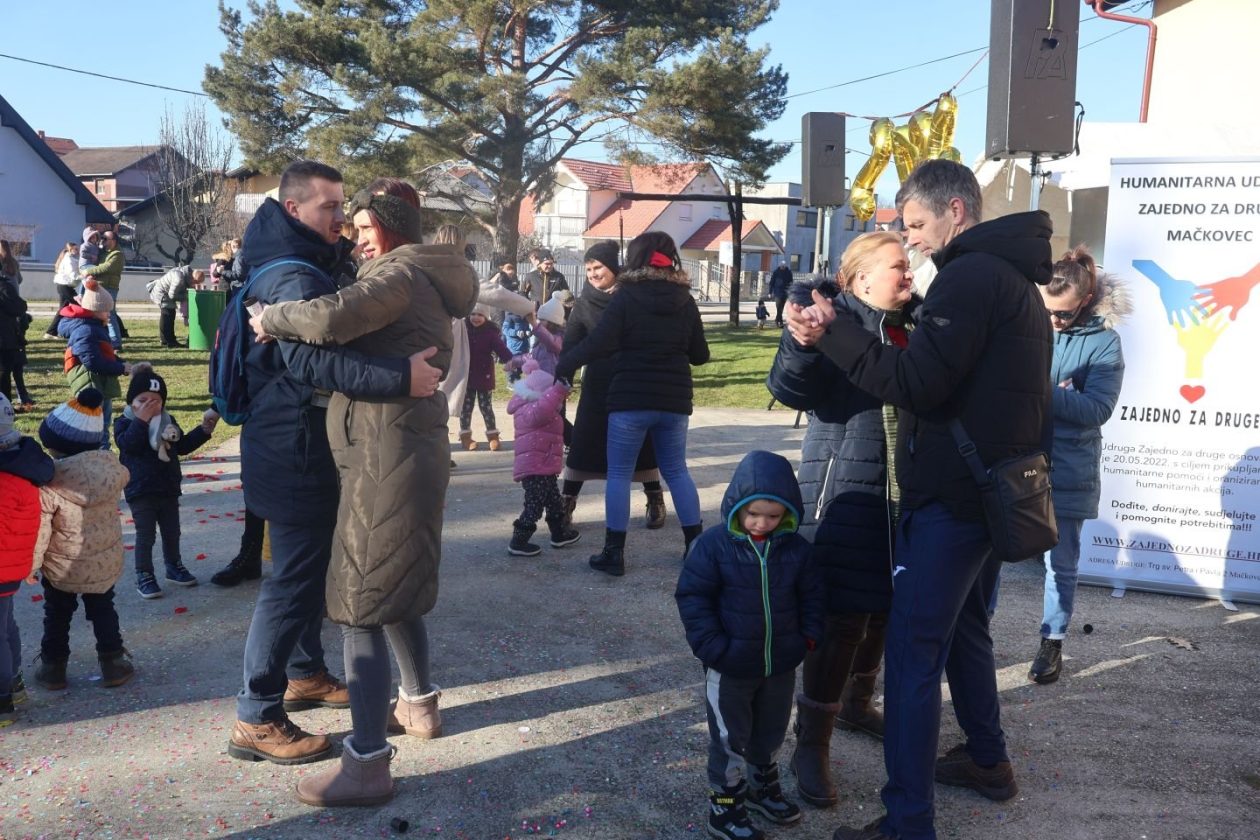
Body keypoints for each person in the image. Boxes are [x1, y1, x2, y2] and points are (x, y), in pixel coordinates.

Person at [799, 160, 1053, 840]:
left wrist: (834, 333)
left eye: (915, 223)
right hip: (991, 494)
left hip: (953, 501)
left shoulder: (970, 277)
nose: (909, 238)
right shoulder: (1014, 281)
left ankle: (907, 821)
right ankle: (987, 759)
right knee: (966, 629)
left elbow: (917, 383)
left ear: (955, 212)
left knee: (914, 657)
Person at [250, 175, 477, 804]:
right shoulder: (424, 273)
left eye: (364, 226)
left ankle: (367, 765)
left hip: (384, 457)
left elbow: (330, 317)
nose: (356, 239)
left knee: (360, 604)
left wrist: (270, 318)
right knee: (395, 589)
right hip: (402, 449)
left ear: (391, 225)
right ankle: (419, 706)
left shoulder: (397, 275)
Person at [766, 231, 919, 808]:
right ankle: (812, 742)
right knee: (842, 618)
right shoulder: (830, 321)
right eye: (898, 267)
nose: (909, 275)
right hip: (844, 489)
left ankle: (857, 704)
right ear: (859, 278)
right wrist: (802, 342)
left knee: (885, 608)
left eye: (909, 265)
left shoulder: (915, 324)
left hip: (905, 494)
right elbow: (789, 386)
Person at [675, 450, 824, 840]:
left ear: (787, 512)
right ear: (737, 506)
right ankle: (724, 808)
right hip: (730, 667)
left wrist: (807, 635)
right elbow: (693, 597)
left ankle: (760, 787)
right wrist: (713, 647)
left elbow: (813, 595)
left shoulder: (796, 550)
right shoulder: (713, 546)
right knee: (730, 738)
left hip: (780, 664)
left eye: (773, 516)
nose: (762, 523)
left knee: (771, 730)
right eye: (754, 513)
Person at [555, 231, 710, 576]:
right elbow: (701, 355)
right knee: (677, 471)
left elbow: (598, 343)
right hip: (673, 402)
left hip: (630, 400)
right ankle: (695, 547)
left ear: (634, 260)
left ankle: (614, 554)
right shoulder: (685, 300)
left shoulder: (626, 298)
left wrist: (563, 365)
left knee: (619, 475)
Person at [1027, 246, 1127, 684]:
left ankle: (1052, 641)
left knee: (1059, 563)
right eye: (1047, 311)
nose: (1053, 321)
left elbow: (1096, 410)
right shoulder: (1029, 323)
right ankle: (976, 635)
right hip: (1017, 458)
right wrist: (1062, 393)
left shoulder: (1105, 342)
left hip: (1068, 467)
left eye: (1063, 314)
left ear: (1086, 301)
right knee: (988, 555)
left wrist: (1039, 390)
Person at [31, 388, 134, 692]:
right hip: (102, 561)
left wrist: (31, 565)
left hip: (62, 567)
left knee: (57, 614)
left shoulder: (51, 482)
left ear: (58, 446)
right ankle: (113, 662)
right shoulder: (109, 471)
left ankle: (53, 667)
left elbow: (41, 530)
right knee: (103, 610)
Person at [560, 240, 666, 532]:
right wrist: (563, 378)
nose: (593, 274)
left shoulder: (634, 297)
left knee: (643, 445)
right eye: (589, 269)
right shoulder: (584, 304)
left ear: (613, 267)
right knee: (583, 444)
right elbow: (571, 345)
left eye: (598, 267)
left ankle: (654, 496)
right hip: (598, 385)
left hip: (633, 381)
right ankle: (566, 503)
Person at [115, 367, 220, 598]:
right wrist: (142, 421)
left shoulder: (167, 420)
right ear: (131, 402)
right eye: (142, 400)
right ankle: (144, 574)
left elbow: (181, 446)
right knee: (146, 534)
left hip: (167, 486)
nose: (149, 406)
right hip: (141, 489)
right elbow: (129, 445)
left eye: (155, 401)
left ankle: (174, 566)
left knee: (172, 531)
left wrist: (203, 431)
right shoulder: (123, 422)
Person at [0, 393, 55, 724]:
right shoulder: (22, 465)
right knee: (6, 623)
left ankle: (3, 699)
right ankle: (15, 681)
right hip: (11, 566)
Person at [506, 358, 581, 555]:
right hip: (534, 467)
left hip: (544, 465)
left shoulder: (539, 407)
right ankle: (519, 541)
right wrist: (557, 391)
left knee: (554, 502)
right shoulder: (529, 409)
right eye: (549, 392)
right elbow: (541, 411)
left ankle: (559, 534)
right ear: (540, 393)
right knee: (534, 505)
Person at [56, 283, 134, 450]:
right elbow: (93, 362)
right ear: (95, 310)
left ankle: (101, 451)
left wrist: (121, 363)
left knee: (101, 422)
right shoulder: (87, 330)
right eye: (106, 310)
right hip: (91, 383)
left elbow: (104, 353)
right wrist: (120, 368)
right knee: (97, 424)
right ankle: (100, 453)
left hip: (98, 382)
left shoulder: (94, 326)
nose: (109, 314)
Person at [460, 304, 513, 451]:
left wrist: (512, 361)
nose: (476, 318)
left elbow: (502, 349)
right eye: (473, 314)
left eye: (480, 315)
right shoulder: (463, 330)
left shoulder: (490, 333)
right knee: (466, 408)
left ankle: (492, 436)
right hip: (467, 377)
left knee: (486, 407)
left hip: (484, 376)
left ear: (486, 317)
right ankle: (465, 436)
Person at [0, 248, 33, 410]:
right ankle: (4, 407)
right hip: (4, 337)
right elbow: (18, 307)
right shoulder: (3, 287)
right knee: (4, 373)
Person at [80, 230, 125, 349]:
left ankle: (116, 344)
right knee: (96, 315)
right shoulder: (102, 252)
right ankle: (102, 340)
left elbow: (106, 267)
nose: (102, 240)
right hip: (98, 286)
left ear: (113, 241)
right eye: (102, 238)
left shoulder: (117, 255)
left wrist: (88, 271)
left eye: (105, 239)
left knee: (109, 315)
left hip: (109, 288)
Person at [148, 265, 201, 347]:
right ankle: (169, 341)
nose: (195, 285)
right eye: (196, 283)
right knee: (168, 315)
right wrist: (186, 296)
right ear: (193, 279)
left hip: (165, 293)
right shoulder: (179, 278)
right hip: (161, 294)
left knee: (169, 314)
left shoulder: (185, 275)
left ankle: (166, 340)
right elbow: (172, 295)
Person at [44, 242, 80, 339]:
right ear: (70, 250)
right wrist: (84, 276)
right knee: (79, 306)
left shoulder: (69, 259)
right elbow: (73, 275)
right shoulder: (69, 260)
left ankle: (51, 332)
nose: (78, 251)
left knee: (63, 309)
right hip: (65, 286)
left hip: (64, 286)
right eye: (76, 249)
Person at [769, 262, 793, 327]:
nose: (782, 267)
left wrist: (791, 291)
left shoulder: (788, 272)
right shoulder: (776, 272)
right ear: (780, 266)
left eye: (783, 266)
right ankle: (780, 321)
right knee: (778, 307)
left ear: (785, 266)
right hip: (777, 292)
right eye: (781, 266)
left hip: (785, 292)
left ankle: (777, 320)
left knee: (781, 308)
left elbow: (791, 282)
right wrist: (770, 292)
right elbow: (772, 282)